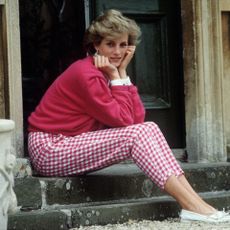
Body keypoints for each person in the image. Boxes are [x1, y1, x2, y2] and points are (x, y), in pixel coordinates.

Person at [27, 9, 230, 223]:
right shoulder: (86, 74)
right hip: (49, 149)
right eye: (110, 44)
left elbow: (137, 120)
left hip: (69, 143)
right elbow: (124, 121)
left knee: (148, 128)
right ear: (96, 45)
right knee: (138, 134)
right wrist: (116, 75)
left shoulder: (106, 71)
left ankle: (197, 204)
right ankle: (191, 205)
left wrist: (122, 74)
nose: (117, 52)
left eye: (123, 45)